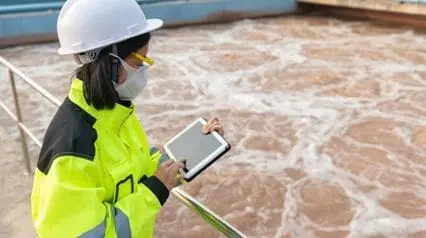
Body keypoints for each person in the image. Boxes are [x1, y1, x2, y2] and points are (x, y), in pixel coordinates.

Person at [30, 0, 224, 237]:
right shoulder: (73, 149)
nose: (144, 70)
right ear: (110, 63)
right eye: (139, 62)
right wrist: (155, 191)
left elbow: (139, 165)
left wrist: (195, 147)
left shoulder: (116, 114)